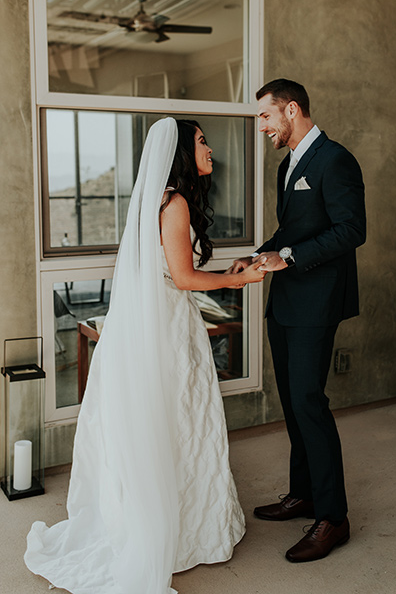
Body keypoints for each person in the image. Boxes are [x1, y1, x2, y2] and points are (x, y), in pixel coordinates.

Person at [25, 117, 266, 594]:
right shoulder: (174, 202)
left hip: (162, 320)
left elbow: (170, 268)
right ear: (181, 151)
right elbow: (182, 279)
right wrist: (239, 280)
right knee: (180, 421)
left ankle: (168, 518)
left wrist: (225, 269)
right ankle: (177, 531)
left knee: (170, 422)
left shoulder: (163, 200)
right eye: (201, 141)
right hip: (170, 325)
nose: (211, 149)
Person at [232, 79, 366, 563]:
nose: (262, 126)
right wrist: (262, 254)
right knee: (292, 403)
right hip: (285, 302)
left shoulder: (336, 160)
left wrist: (287, 258)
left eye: (266, 117)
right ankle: (303, 494)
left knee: (309, 402)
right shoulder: (289, 164)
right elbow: (294, 230)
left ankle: (333, 518)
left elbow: (352, 230)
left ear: (292, 109)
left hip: (316, 303)